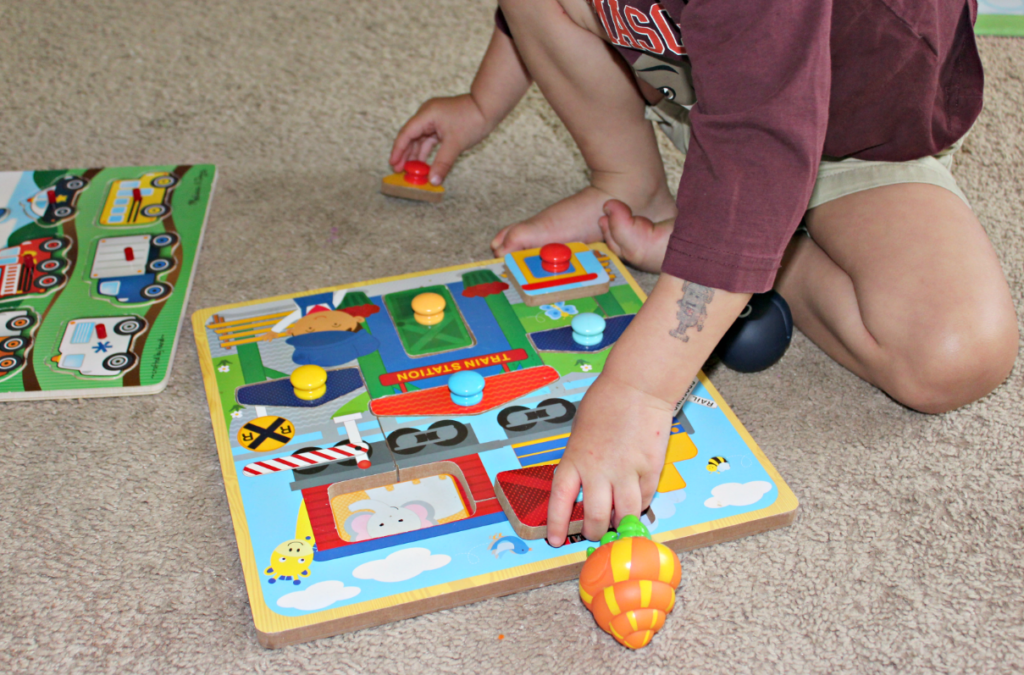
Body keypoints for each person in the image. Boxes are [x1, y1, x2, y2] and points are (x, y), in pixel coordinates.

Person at [389, 0, 1019, 547]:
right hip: (698, 83)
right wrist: (480, 104)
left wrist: (638, 391)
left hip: (857, 131)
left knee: (954, 354)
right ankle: (635, 186)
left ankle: (728, 247)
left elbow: (759, 150)